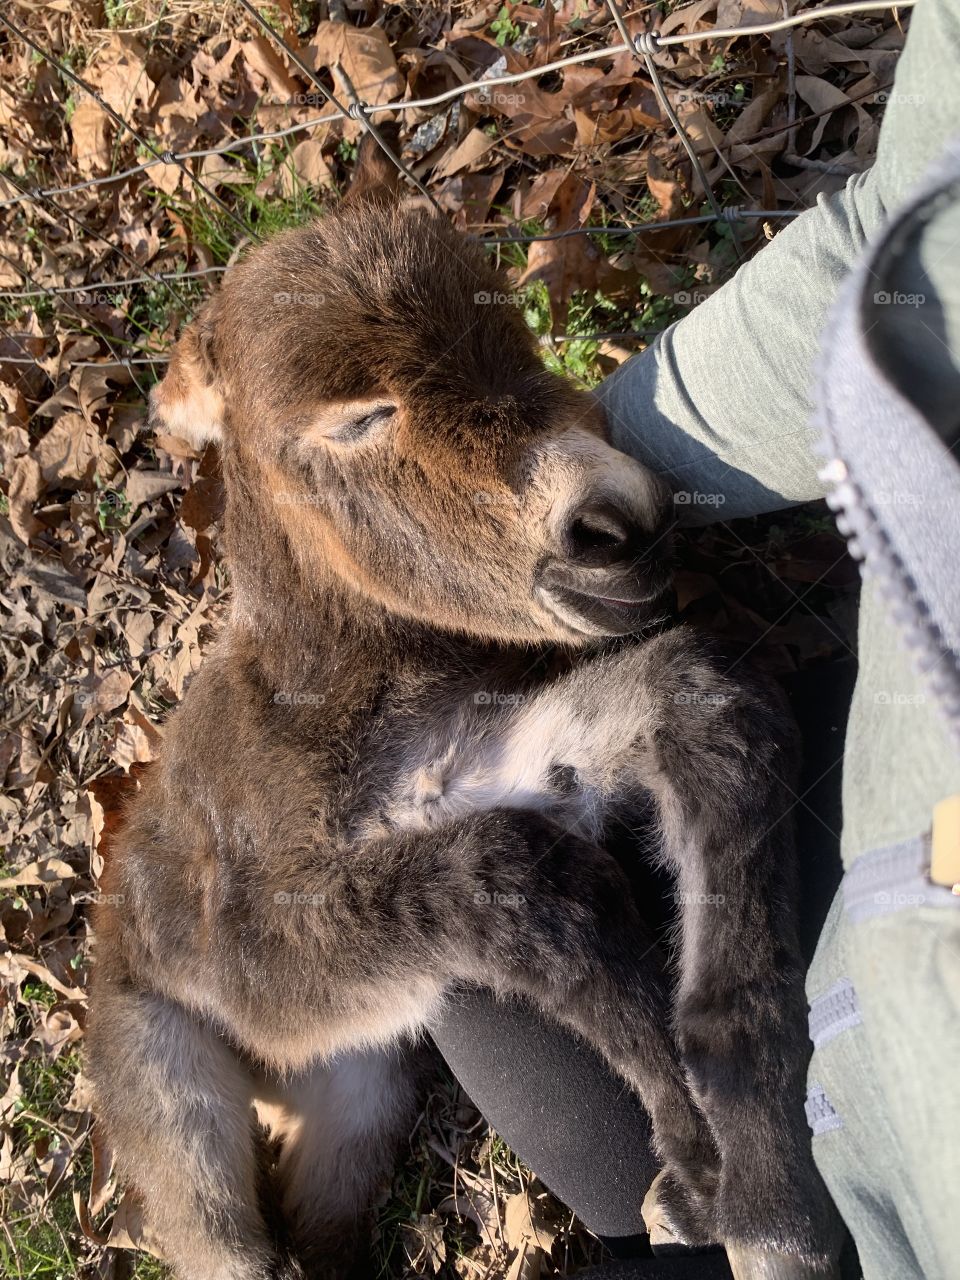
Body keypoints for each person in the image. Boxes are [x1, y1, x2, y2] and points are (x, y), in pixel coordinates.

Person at [430, 0, 960, 1275]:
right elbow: (910, 265)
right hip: (884, 971)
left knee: (470, 940)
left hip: (878, 1116)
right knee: (461, 936)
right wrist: (578, 510)